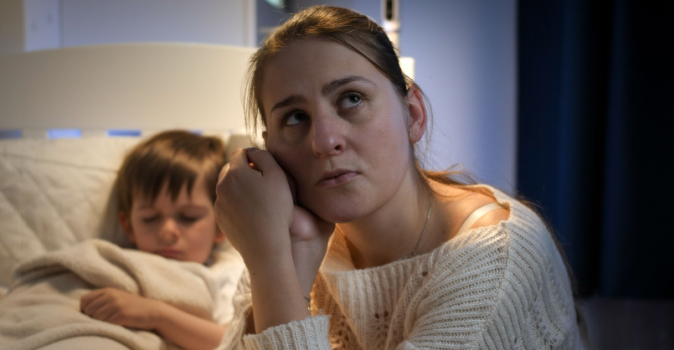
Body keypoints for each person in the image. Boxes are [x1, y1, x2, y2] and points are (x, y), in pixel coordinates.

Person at [214, 5, 586, 350]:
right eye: (295, 117)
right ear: (269, 149)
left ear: (413, 114)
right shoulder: (298, 239)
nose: (325, 141)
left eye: (352, 99)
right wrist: (283, 262)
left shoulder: (495, 262)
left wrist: (271, 263)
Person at [79, 130, 233, 350]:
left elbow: (231, 340)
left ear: (222, 224)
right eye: (150, 218)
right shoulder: (117, 262)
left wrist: (154, 314)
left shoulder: (226, 275)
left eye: (188, 217)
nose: (167, 231)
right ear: (128, 226)